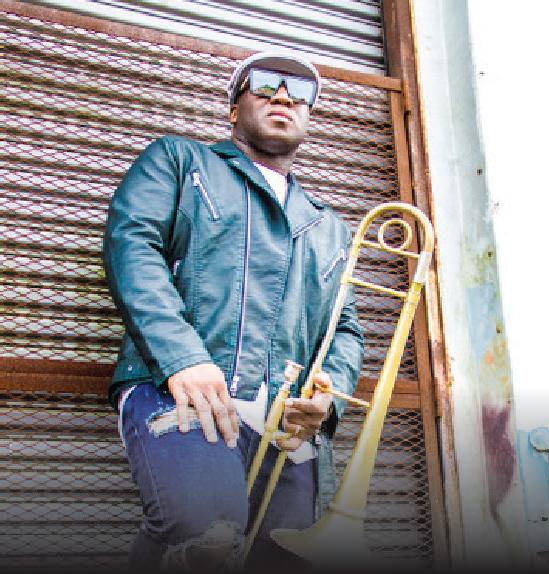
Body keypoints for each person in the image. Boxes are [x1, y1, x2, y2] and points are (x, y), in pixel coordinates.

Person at [103, 51, 364, 571]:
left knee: (285, 559)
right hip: (177, 391)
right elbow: (131, 246)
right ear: (232, 108)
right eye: (264, 84)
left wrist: (328, 396)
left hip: (285, 425)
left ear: (310, 116)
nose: (284, 96)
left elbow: (346, 329)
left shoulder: (328, 224)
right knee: (205, 534)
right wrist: (182, 358)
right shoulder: (179, 161)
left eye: (300, 92)